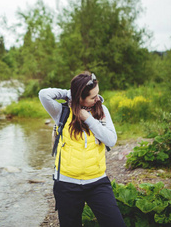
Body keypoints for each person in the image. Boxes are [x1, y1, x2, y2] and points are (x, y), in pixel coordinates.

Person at [39, 71, 125, 227]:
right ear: (79, 97)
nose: (98, 99)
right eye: (93, 97)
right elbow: (43, 94)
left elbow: (111, 141)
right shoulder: (61, 112)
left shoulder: (102, 111)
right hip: (66, 184)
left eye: (97, 94)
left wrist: (89, 119)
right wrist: (70, 94)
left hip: (97, 181)